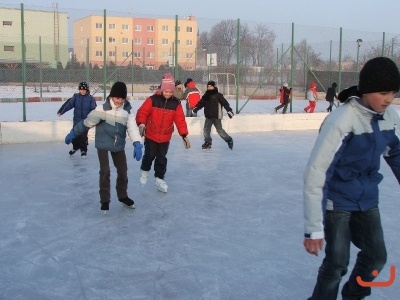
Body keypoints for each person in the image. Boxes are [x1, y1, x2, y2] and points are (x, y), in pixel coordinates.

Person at [303, 57, 400, 300]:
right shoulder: (343, 120)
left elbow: (395, 152)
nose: (389, 99)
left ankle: (353, 295)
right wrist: (313, 228)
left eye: (393, 93)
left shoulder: (389, 117)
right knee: (337, 263)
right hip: (337, 200)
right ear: (366, 90)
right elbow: (317, 171)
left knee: (376, 256)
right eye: (383, 92)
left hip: (367, 198)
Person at [64, 81, 143, 213]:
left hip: (118, 145)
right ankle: (105, 200)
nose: (119, 101)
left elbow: (132, 128)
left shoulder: (127, 111)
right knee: (105, 171)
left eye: (122, 98)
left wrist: (137, 143)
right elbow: (86, 123)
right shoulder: (102, 110)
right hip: (103, 144)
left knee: (123, 171)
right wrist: (74, 133)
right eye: (117, 98)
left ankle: (123, 196)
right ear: (112, 97)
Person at [136, 73, 190, 193]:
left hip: (165, 137)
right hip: (151, 134)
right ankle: (144, 172)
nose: (168, 94)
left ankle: (159, 179)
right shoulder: (153, 100)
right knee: (149, 155)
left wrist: (184, 135)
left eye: (171, 92)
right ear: (162, 89)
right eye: (166, 91)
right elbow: (142, 112)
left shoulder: (175, 104)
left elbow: (180, 120)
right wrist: (141, 124)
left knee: (161, 158)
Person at [57, 81, 96, 157]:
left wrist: (92, 118)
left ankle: (83, 150)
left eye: (84, 90)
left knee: (83, 136)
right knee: (75, 135)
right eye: (81, 89)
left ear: (87, 90)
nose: (82, 91)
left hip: (86, 121)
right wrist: (61, 111)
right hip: (77, 120)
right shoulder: (76, 97)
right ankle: (75, 147)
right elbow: (69, 105)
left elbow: (93, 109)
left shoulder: (90, 98)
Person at [192, 80, 234, 150]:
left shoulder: (218, 95)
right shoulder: (206, 95)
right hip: (208, 116)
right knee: (206, 130)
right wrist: (196, 108)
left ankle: (229, 140)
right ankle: (208, 142)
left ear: (213, 87)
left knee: (220, 130)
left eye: (210, 86)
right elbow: (201, 103)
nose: (209, 87)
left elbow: (225, 103)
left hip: (217, 116)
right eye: (208, 86)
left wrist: (229, 111)